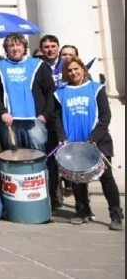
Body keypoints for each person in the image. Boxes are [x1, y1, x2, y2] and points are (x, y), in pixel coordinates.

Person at [54, 57, 123, 230]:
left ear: (83, 70)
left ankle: (116, 214)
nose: (73, 73)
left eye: (76, 69)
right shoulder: (60, 93)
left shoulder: (96, 89)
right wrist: (62, 136)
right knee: (77, 179)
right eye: (69, 70)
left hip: (97, 141)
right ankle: (82, 211)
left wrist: (94, 137)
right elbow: (56, 119)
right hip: (74, 143)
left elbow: (105, 115)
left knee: (106, 178)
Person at [0, 33, 56, 152]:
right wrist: (2, 112)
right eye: (11, 46)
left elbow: (50, 91)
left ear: (24, 47)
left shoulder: (38, 65)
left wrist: (45, 114)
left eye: (18, 45)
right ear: (6, 49)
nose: (15, 48)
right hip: (10, 121)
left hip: (35, 120)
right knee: (14, 157)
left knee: (38, 156)